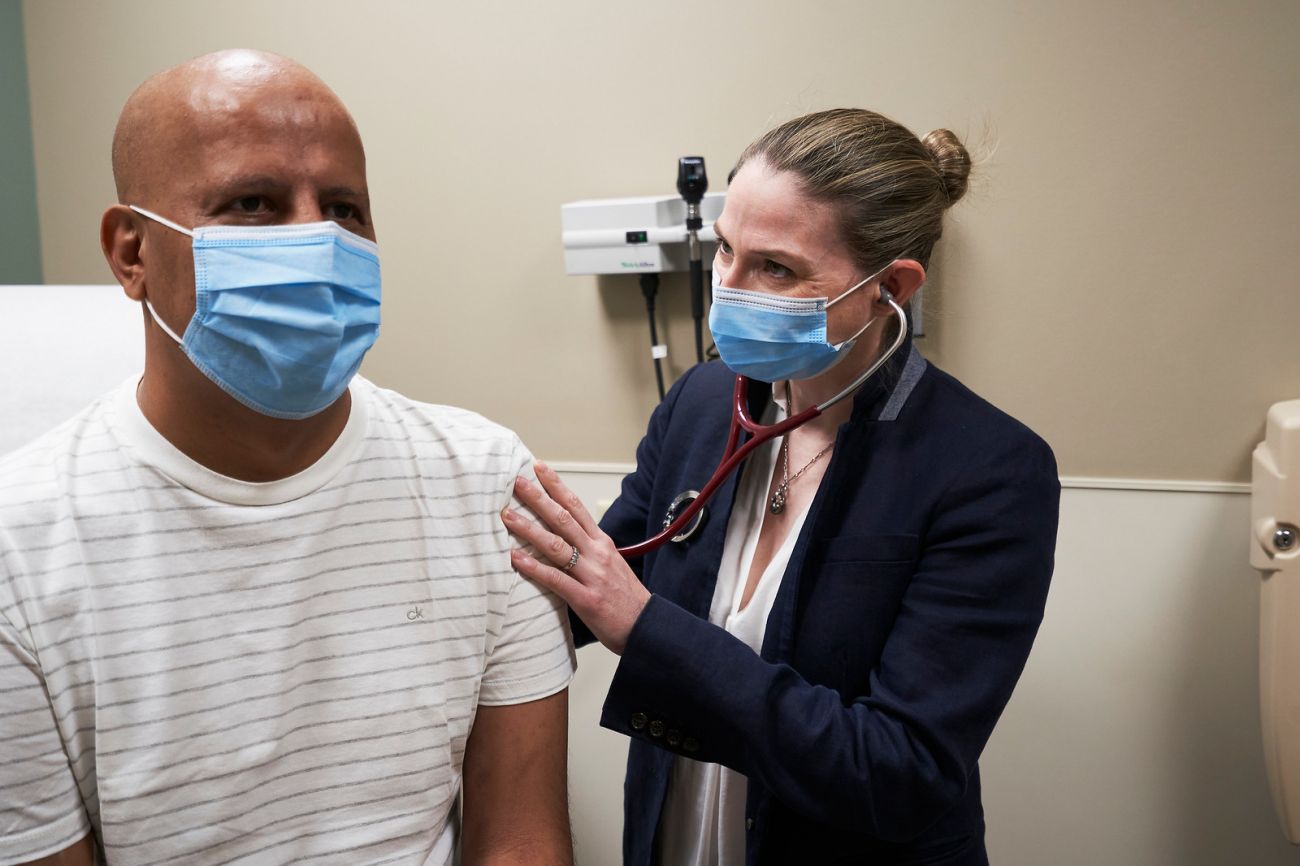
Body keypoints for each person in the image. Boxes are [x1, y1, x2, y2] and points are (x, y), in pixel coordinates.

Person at [0, 50, 575, 866]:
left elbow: (520, 839)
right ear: (131, 252)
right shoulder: (19, 552)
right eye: (254, 204)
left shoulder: (482, 481)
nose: (316, 240)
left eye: (344, 209)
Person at [503, 108, 1060, 865]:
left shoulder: (988, 472)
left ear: (889, 288)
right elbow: (604, 570)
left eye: (776, 268)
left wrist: (646, 628)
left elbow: (898, 771)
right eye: (725, 250)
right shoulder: (703, 402)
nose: (726, 290)